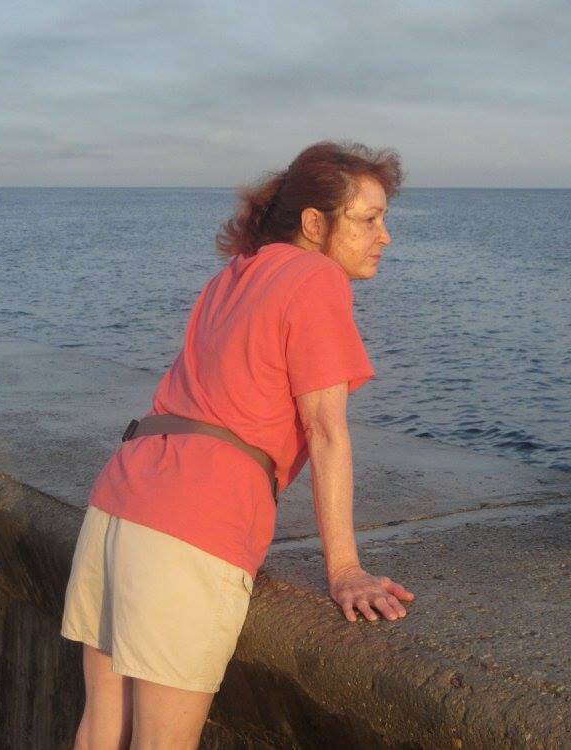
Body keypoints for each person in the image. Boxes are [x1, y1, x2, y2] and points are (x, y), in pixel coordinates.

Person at [60, 141, 416, 749]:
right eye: (368, 219)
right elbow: (327, 431)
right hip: (191, 527)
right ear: (315, 224)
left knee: (100, 732)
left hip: (119, 505)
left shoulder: (234, 275)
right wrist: (345, 570)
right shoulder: (316, 277)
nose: (384, 236)